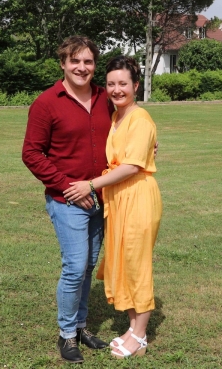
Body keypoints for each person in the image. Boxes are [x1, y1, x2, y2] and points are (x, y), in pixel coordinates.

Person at [64, 56, 162, 359]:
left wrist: (91, 184)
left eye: (123, 84)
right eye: (110, 84)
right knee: (125, 263)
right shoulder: (118, 116)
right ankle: (133, 328)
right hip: (119, 200)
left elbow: (132, 165)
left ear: (136, 85)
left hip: (137, 198)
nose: (116, 89)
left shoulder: (139, 117)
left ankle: (141, 335)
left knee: (137, 265)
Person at [22, 36, 111, 363]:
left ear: (94, 66)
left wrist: (147, 146)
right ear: (63, 63)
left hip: (101, 199)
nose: (82, 67)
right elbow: (31, 153)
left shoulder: (105, 97)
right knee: (75, 267)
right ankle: (67, 335)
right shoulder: (47, 102)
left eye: (88, 62)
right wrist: (65, 186)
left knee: (88, 266)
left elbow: (125, 128)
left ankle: (82, 326)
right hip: (67, 200)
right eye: (75, 61)